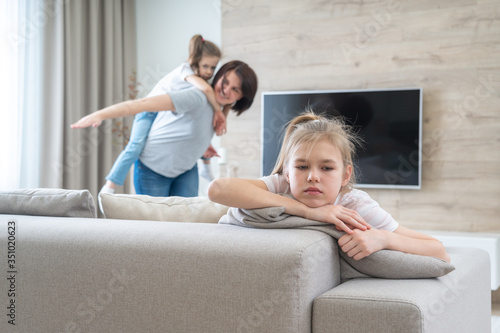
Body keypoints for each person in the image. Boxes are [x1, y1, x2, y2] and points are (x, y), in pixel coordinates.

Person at [208, 110, 450, 262]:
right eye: (301, 167)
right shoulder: (283, 185)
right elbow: (217, 189)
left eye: (326, 168)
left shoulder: (353, 205)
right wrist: (309, 211)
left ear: (346, 175)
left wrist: (384, 239)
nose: (313, 176)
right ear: (287, 173)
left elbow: (438, 250)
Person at [72, 60, 258, 198]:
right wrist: (101, 115)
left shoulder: (221, 110)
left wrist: (202, 148)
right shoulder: (197, 97)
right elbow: (143, 104)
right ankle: (111, 184)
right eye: (225, 82)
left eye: (235, 90)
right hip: (153, 169)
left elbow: (195, 129)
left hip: (185, 171)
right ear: (219, 76)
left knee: (186, 229)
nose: (226, 90)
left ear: (242, 98)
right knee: (156, 233)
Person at [88, 34, 227, 194]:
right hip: (148, 112)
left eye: (213, 68)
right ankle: (110, 185)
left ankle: (206, 167)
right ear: (194, 60)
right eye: (206, 66)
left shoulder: (199, 78)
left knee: (198, 135)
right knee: (135, 146)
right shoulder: (185, 71)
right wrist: (218, 111)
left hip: (163, 113)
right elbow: (207, 90)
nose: (209, 72)